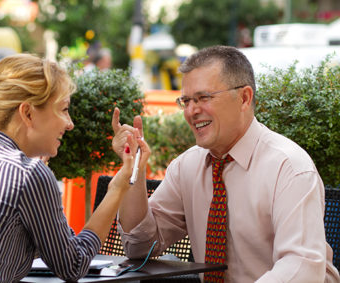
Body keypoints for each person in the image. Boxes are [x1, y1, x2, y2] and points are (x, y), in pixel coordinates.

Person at [112, 46, 340, 282]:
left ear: (244, 98)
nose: (191, 111)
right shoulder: (187, 166)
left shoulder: (289, 167)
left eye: (203, 98)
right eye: (186, 101)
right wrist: (134, 170)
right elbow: (139, 248)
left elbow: (301, 266)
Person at [0, 53, 149, 282]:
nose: (70, 124)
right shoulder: (27, 173)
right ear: (27, 113)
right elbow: (73, 265)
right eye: (64, 109)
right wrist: (117, 188)